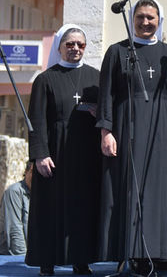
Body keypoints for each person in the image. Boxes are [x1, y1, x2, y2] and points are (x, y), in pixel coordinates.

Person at [97, 0, 167, 273]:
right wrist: (106, 131)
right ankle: (131, 252)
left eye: (151, 17)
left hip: (163, 129)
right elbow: (107, 94)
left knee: (162, 192)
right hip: (127, 126)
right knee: (130, 188)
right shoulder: (117, 51)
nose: (146, 22)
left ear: (159, 20)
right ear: (132, 19)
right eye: (140, 17)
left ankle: (160, 252)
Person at [25, 25, 101, 275]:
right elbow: (36, 120)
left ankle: (82, 259)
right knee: (51, 208)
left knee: (83, 207)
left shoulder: (96, 77)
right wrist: (40, 154)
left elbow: (108, 114)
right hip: (54, 153)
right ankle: (47, 261)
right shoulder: (45, 79)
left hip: (86, 153)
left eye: (80, 45)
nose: (75, 49)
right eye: (70, 44)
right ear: (59, 47)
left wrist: (99, 113)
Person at [0, 163, 31, 256]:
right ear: (26, 172)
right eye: (34, 172)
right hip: (13, 258)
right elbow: (14, 230)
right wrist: (23, 261)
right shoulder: (15, 192)